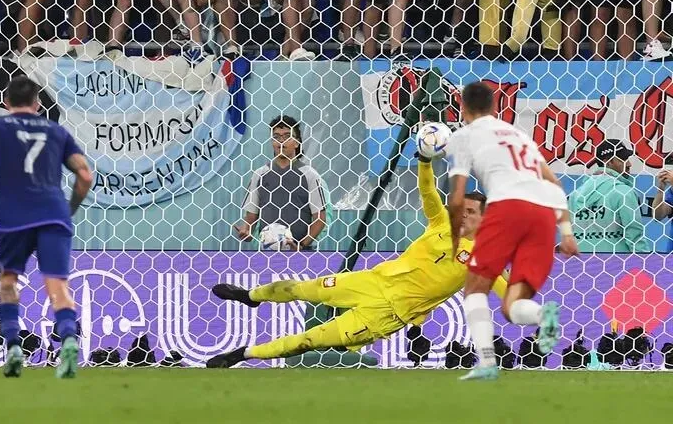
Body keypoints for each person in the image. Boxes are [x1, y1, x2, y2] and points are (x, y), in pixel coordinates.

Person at [208, 155, 504, 366]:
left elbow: (505, 288)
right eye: (461, 209)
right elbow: (427, 190)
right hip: (372, 281)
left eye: (470, 212)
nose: (462, 215)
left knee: (309, 340)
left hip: (387, 314)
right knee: (301, 288)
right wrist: (425, 160)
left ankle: (243, 354)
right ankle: (250, 296)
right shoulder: (440, 223)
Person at [445, 81, 579, 381]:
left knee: (474, 290)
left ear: (462, 107)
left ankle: (486, 362)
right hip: (542, 214)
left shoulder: (463, 136)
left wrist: (455, 239)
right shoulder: (518, 135)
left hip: (507, 208)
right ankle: (542, 315)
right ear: (494, 107)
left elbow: (456, 199)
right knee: (511, 306)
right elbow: (555, 183)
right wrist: (567, 233)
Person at [0, 76, 93, 379]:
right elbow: (85, 175)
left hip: (13, 217)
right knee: (58, 286)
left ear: (6, 102)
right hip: (53, 214)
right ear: (37, 104)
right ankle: (68, 339)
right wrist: (68, 211)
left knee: (8, 282)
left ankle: (13, 347)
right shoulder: (56, 131)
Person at [235, 115, 327, 250]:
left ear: (297, 142)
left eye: (287, 136)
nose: (281, 141)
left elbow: (320, 219)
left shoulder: (310, 175)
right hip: (267, 253)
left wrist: (301, 246)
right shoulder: (259, 174)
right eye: (276, 137)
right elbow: (251, 215)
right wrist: (247, 230)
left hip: (301, 255)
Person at [569, 139, 650, 253]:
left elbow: (569, 234)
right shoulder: (623, 192)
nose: (629, 164)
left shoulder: (575, 195)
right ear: (607, 162)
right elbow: (635, 235)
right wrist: (645, 260)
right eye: (623, 159)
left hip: (580, 261)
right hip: (617, 262)